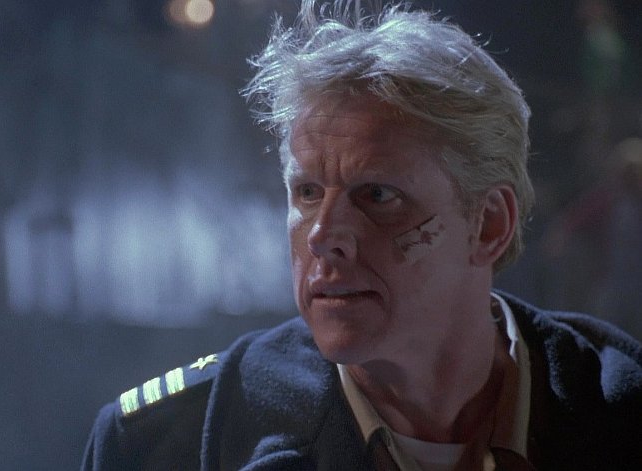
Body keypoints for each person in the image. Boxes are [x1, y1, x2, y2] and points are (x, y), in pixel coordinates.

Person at [82, 1, 642, 469]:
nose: (324, 235)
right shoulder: (163, 447)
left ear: (489, 224)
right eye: (307, 193)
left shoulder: (621, 413)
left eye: (377, 196)